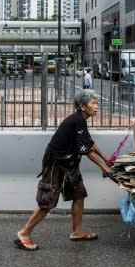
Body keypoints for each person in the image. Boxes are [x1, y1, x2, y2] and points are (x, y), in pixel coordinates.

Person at [15, 90, 113, 251]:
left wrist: (105, 157)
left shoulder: (81, 121)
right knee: (47, 201)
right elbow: (85, 149)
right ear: (82, 106)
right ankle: (24, 233)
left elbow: (88, 141)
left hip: (70, 163)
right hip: (56, 163)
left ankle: (77, 232)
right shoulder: (76, 120)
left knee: (79, 195)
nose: (97, 107)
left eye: (97, 103)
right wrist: (104, 167)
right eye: (93, 103)